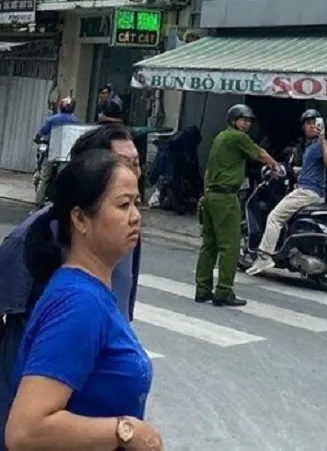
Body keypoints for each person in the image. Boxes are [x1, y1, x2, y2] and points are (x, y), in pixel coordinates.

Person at [5, 149, 162, 450]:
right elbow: (26, 430)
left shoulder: (92, 292)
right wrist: (127, 432)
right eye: (123, 205)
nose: (136, 216)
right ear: (80, 219)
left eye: (137, 204)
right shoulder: (80, 303)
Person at [194, 104, 279, 307]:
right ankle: (224, 291)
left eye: (249, 120)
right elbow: (260, 155)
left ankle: (202, 288)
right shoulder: (237, 137)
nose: (247, 123)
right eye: (243, 119)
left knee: (209, 244)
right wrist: (276, 166)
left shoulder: (220, 137)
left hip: (211, 195)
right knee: (230, 246)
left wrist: (205, 195)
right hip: (226, 197)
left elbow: (209, 170)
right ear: (233, 120)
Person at [246, 109, 327, 275]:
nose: (311, 127)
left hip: (307, 192)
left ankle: (264, 257)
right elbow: (312, 168)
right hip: (308, 190)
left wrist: (323, 139)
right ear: (303, 127)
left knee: (274, 217)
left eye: (314, 124)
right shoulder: (309, 147)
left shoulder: (320, 144)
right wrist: (295, 170)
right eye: (307, 124)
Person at [33, 97, 81, 207]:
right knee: (63, 178)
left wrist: (37, 138)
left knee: (44, 178)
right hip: (66, 155)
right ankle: (60, 201)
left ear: (61, 106)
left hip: (51, 153)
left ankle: (38, 202)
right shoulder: (76, 121)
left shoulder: (52, 120)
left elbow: (41, 133)